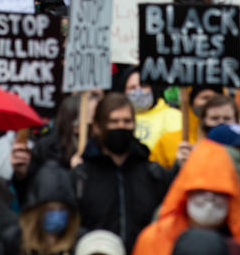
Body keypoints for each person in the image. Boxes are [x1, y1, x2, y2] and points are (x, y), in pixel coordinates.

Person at [132, 139, 240, 255]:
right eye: (200, 191)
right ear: (185, 193)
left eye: (218, 192)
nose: (209, 199)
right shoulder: (155, 238)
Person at [73, 92, 170, 251]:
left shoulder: (154, 174)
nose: (121, 127)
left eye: (127, 121)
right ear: (97, 127)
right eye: (113, 122)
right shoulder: (80, 177)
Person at [4, 161, 82, 255]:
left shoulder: (80, 241)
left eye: (62, 209)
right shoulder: (14, 241)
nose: (56, 215)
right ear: (36, 212)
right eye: (50, 209)